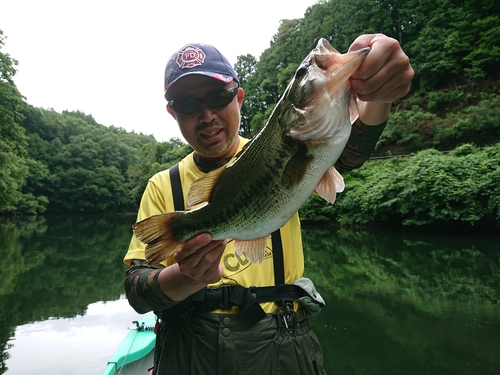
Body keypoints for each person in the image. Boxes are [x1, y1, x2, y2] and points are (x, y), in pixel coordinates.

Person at [124, 34, 413, 374]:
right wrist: (186, 277)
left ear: (239, 98)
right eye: (188, 105)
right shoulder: (162, 186)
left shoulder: (284, 145)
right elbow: (136, 290)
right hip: (189, 347)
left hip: (281, 343)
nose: (206, 116)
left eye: (218, 97)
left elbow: (350, 153)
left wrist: (379, 98)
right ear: (173, 113)